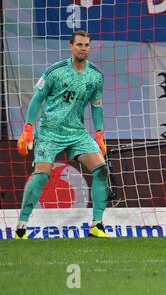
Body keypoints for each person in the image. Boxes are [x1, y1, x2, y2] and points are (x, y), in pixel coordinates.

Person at [15, 30, 110, 239]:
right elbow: (37, 98)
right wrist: (28, 128)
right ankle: (21, 227)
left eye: (86, 45)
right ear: (71, 46)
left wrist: (99, 134)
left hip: (77, 132)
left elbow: (96, 106)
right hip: (49, 131)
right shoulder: (55, 71)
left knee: (102, 170)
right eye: (79, 45)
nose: (83, 48)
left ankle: (97, 225)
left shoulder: (95, 76)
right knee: (41, 175)